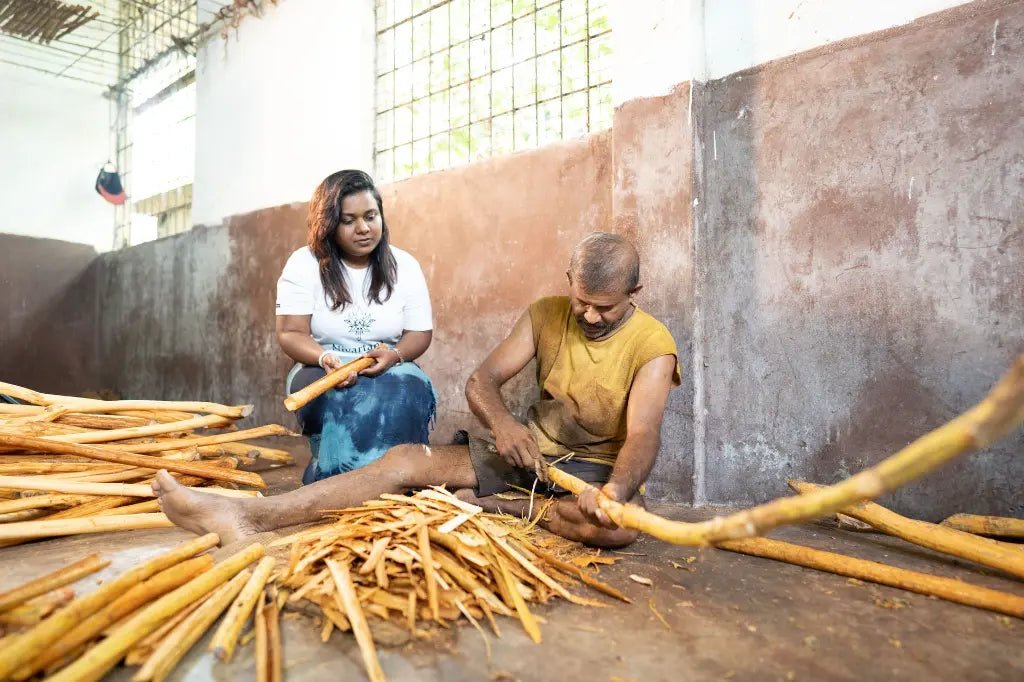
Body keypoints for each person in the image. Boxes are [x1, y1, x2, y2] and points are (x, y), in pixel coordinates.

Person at [155, 232, 680, 548]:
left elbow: (642, 435)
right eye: (581, 300)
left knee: (620, 531)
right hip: (527, 452)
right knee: (405, 459)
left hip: (588, 471)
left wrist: (613, 493)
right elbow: (483, 381)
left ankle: (500, 506)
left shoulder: (653, 343)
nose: (588, 315)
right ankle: (245, 514)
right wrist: (503, 424)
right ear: (569, 279)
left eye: (604, 307)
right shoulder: (546, 312)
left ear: (634, 293)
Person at [276, 169, 435, 483]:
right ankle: (333, 475)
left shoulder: (405, 265)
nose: (363, 228)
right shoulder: (303, 263)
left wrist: (396, 355)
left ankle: (399, 476)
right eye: (348, 221)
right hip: (320, 364)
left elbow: (420, 333)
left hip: (386, 363)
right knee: (335, 394)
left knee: (411, 388)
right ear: (329, 224)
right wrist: (324, 359)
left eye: (371, 216)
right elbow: (291, 333)